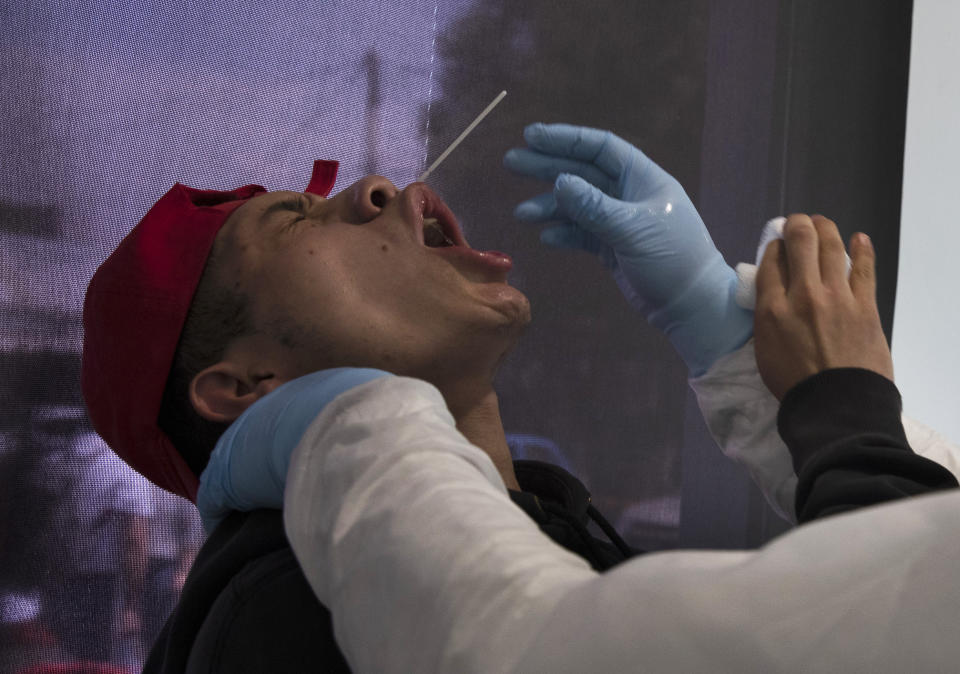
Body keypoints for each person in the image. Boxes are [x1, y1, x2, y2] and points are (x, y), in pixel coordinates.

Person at [81, 125, 958, 670]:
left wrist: (753, 366)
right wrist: (836, 406)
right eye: (293, 221)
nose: (377, 188)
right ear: (246, 389)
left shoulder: (547, 531)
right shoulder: (283, 609)